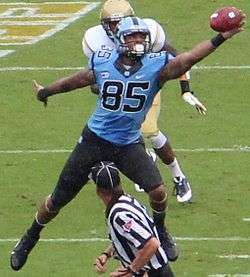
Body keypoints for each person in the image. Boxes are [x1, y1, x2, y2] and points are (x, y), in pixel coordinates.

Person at [10, 15, 245, 272]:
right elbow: (75, 81)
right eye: (133, 36)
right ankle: (30, 236)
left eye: (142, 37)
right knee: (56, 201)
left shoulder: (156, 66)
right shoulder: (103, 61)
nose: (139, 41)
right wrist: (47, 92)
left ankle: (161, 230)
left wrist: (221, 38)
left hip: (127, 143)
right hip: (94, 140)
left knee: (158, 192)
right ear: (120, 40)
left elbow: (189, 58)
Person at [82, 0, 206, 201]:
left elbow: (181, 60)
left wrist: (186, 90)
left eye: (121, 22)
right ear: (104, 25)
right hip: (118, 95)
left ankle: (178, 176)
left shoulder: (149, 33)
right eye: (112, 23)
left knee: (149, 130)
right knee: (114, 133)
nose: (117, 27)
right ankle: (143, 159)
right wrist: (104, 86)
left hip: (145, 87)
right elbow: (94, 79)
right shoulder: (95, 40)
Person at [91, 161, 175, 277]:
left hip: (153, 272)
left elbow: (152, 244)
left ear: (98, 191)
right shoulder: (125, 200)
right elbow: (131, 237)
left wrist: (131, 270)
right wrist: (106, 254)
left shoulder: (120, 215)